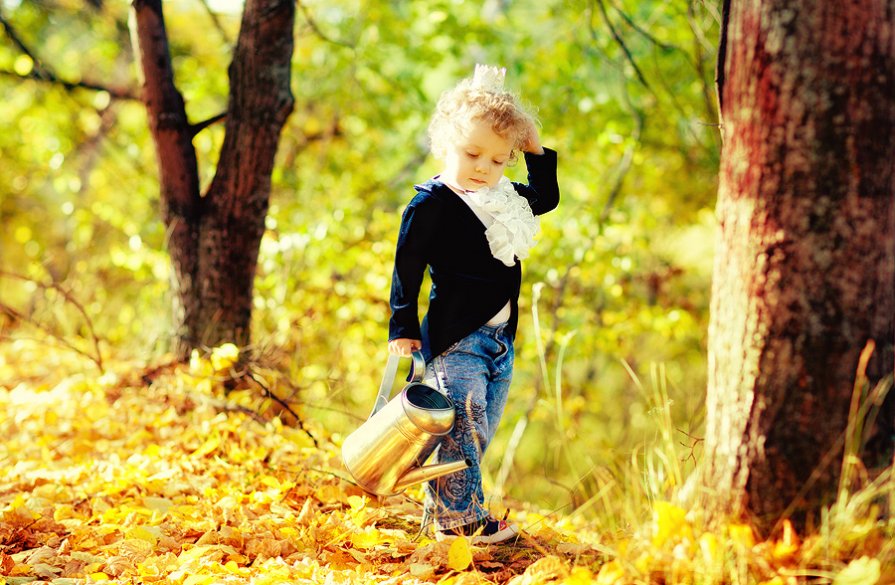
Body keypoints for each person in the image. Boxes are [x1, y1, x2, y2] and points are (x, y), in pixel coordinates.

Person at [387, 64, 560, 545]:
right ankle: (461, 522)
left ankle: (446, 512)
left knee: (477, 431)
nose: (484, 167)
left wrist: (532, 143)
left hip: (500, 340)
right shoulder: (433, 202)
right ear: (444, 143)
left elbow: (545, 197)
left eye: (499, 159)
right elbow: (408, 266)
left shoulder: (503, 198)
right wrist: (402, 325)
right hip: (456, 336)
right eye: (472, 153)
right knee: (462, 424)